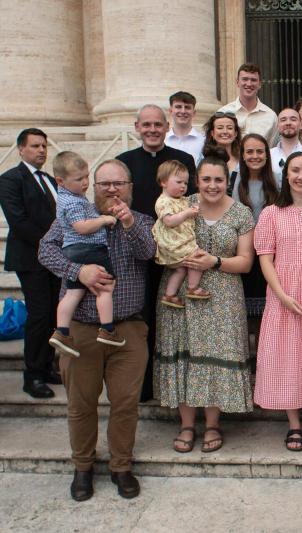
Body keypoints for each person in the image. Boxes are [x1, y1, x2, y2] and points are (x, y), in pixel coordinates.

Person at [38, 158, 156, 501]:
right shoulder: (75, 218)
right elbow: (45, 249)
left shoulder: (143, 221)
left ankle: (121, 467)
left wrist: (130, 223)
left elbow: (150, 253)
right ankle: (83, 467)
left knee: (125, 404)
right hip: (82, 330)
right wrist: (78, 271)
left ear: (130, 188)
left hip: (128, 330)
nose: (111, 189)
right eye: (104, 183)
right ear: (93, 186)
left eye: (118, 183)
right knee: (81, 403)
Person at [154, 150, 255, 454]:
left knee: (214, 354)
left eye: (219, 180)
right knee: (184, 354)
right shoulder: (180, 205)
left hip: (222, 295)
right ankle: (186, 424)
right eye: (206, 179)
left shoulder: (241, 213)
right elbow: (161, 236)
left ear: (228, 181)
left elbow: (246, 262)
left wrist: (213, 261)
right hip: (180, 292)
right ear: (197, 180)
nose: (212, 185)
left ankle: (212, 423)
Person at [116, 104, 197, 401]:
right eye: (146, 124)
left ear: (166, 126)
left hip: (176, 250)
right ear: (137, 127)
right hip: (138, 251)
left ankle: (177, 384)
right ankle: (143, 384)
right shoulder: (124, 161)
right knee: (141, 315)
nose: (152, 129)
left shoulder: (184, 160)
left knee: (175, 319)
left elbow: (191, 201)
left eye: (157, 124)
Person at [254, 151, 302, 452]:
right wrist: (282, 295)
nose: (300, 176)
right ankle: (294, 424)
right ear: (286, 175)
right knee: (286, 355)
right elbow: (265, 258)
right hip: (281, 295)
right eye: (295, 171)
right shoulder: (271, 213)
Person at [0, 128, 61, 398]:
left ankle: (47, 365)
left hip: (54, 260)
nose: (41, 151)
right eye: (35, 146)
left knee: (51, 313)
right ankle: (32, 375)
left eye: (44, 146)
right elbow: (19, 221)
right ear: (20, 149)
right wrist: (51, 244)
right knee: (38, 315)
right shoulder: (10, 179)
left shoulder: (49, 179)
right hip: (30, 258)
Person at [48, 151, 125, 357]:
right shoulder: (73, 202)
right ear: (60, 181)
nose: (84, 183)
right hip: (88, 249)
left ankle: (61, 331)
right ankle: (107, 329)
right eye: (79, 179)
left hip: (73, 251)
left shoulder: (68, 198)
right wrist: (103, 220)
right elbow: (81, 227)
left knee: (73, 293)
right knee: (106, 287)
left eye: (86, 177)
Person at [232, 133, 279, 319]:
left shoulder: (278, 179)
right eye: (249, 151)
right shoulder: (232, 180)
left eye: (260, 151)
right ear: (242, 155)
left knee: (266, 313)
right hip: (242, 252)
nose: (255, 156)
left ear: (267, 155)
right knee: (246, 314)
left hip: (271, 254)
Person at [152, 160, 208, 309]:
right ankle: (193, 287)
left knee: (180, 269)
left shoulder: (181, 200)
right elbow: (169, 221)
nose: (183, 186)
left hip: (181, 241)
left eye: (185, 182)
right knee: (197, 257)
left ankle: (170, 294)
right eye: (179, 182)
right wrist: (188, 213)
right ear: (163, 182)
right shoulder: (163, 202)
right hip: (174, 243)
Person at [218, 62, 278, 141]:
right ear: (237, 82)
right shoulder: (223, 112)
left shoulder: (271, 117)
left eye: (253, 80)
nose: (249, 84)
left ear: (260, 84)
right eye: (245, 79)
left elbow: (272, 150)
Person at [270, 107, 302, 184]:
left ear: (301, 125)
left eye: (293, 119)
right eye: (283, 120)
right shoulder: (269, 155)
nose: (288, 123)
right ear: (277, 126)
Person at [202, 111, 241, 192]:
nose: (225, 132)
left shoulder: (243, 159)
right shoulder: (203, 157)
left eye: (230, 128)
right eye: (220, 128)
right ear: (212, 133)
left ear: (236, 133)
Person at [165, 91, 205, 165]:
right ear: (170, 111)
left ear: (194, 112)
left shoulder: (203, 142)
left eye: (187, 107)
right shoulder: (163, 140)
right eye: (178, 107)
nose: (183, 111)